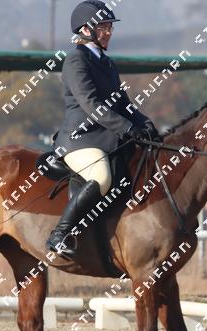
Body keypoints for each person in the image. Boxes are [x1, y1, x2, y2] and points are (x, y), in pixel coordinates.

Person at [46, 0, 160, 258]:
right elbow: (92, 105)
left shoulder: (107, 63)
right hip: (80, 140)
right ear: (86, 30)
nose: (108, 32)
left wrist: (145, 124)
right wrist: (127, 128)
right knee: (101, 177)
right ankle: (60, 235)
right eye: (103, 27)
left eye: (110, 27)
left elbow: (123, 104)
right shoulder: (76, 61)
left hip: (107, 139)